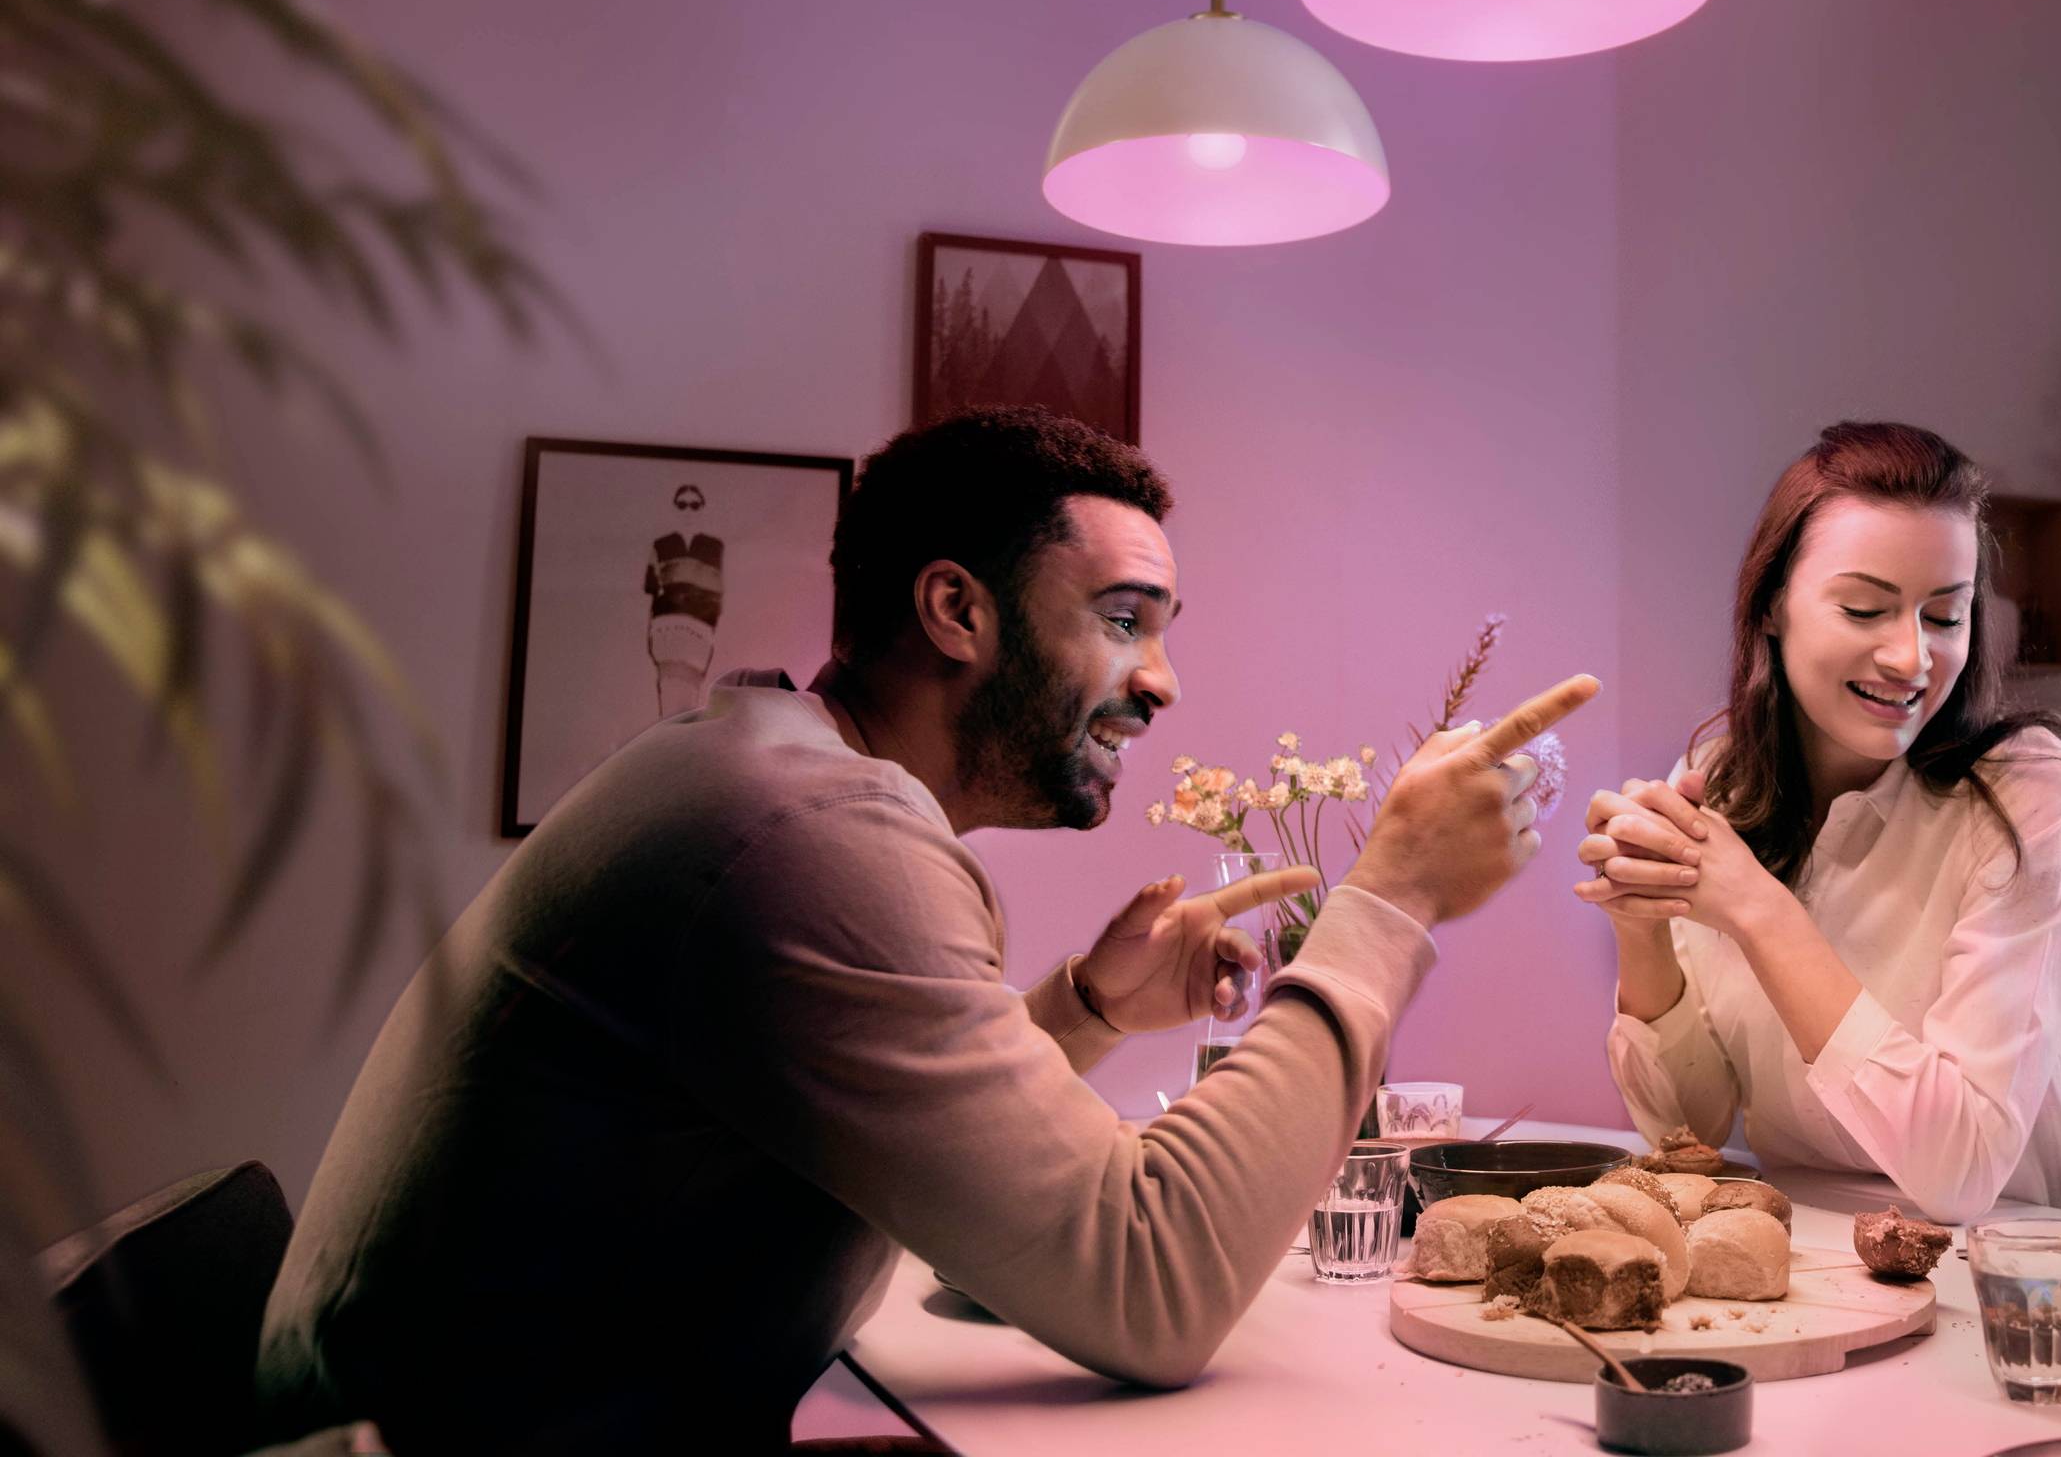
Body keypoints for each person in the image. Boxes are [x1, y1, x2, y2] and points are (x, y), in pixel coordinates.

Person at [258, 407, 1596, 1453]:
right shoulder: (808, 833)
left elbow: (852, 1140)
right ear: (956, 610)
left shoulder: (752, 766)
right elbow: (1155, 1287)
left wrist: (1085, 1012)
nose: (1164, 683)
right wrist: (1388, 901)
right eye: (1124, 622)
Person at [1575, 422, 2061, 1224]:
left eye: (1944, 617)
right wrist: (1640, 929)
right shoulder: (1723, 784)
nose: (1911, 657)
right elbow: (1689, 1133)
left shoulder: (2025, 792)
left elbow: (1960, 1170)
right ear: (1771, 608)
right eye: (1866, 609)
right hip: (1810, 1265)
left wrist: (1759, 911)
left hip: (2015, 1278)